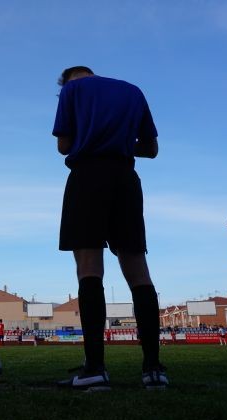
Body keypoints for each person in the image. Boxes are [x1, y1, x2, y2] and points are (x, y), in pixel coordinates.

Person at [52, 66, 167, 391]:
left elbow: (63, 145)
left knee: (89, 269)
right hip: (126, 180)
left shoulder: (72, 92)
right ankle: (153, 369)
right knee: (138, 272)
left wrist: (92, 137)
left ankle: (95, 368)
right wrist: (118, 140)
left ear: (70, 80)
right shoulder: (133, 90)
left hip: (87, 175)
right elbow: (151, 149)